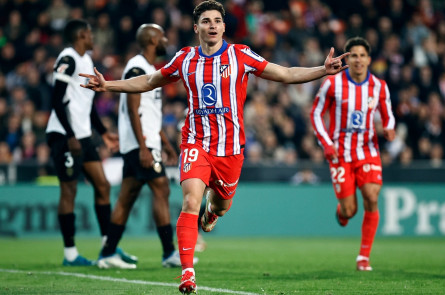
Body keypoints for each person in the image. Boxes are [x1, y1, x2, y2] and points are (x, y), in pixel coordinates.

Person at [80, 1, 348, 292]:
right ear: (197, 28)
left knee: (219, 205)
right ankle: (187, 273)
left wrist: (322, 70)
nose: (212, 25)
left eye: (217, 20)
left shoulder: (240, 55)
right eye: (206, 21)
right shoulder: (185, 58)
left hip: (231, 151)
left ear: (223, 26)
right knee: (190, 202)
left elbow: (284, 74)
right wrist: (108, 85)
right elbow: (149, 81)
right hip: (196, 142)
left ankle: (213, 212)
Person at [97, 24, 197, 269]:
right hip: (140, 144)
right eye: (162, 35)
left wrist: (165, 143)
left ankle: (108, 253)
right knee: (161, 188)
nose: (165, 39)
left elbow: (149, 113)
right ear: (153, 40)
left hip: (145, 142)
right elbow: (133, 109)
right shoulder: (136, 67)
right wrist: (143, 147)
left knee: (126, 199)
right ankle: (169, 253)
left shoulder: (150, 69)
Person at [45, 19, 133, 266]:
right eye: (90, 33)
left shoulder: (86, 61)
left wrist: (103, 132)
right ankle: (70, 254)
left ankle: (108, 249)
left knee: (102, 185)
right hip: (64, 135)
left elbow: (87, 103)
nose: (93, 37)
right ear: (82, 35)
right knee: (69, 190)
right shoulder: (68, 58)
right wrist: (70, 135)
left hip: (83, 135)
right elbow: (56, 99)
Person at [310, 37, 396, 271]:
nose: (358, 60)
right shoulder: (332, 84)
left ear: (369, 59)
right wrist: (327, 144)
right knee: (350, 210)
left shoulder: (379, 86)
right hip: (339, 154)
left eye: (362, 55)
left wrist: (389, 128)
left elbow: (388, 114)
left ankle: (363, 257)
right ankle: (343, 211)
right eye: (353, 55)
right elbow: (316, 114)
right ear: (348, 58)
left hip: (367, 150)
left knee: (371, 195)